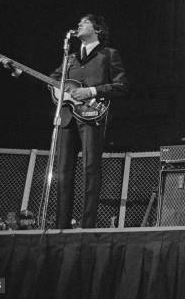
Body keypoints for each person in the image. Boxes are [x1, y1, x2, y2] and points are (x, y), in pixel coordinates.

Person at [50, 14, 129, 228]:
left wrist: (91, 91)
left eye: (84, 22)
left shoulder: (108, 54)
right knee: (63, 171)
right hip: (67, 118)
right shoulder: (71, 58)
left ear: (97, 30)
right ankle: (61, 225)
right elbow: (53, 79)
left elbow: (121, 86)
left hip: (93, 115)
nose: (78, 24)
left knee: (90, 168)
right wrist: (20, 71)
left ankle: (87, 225)